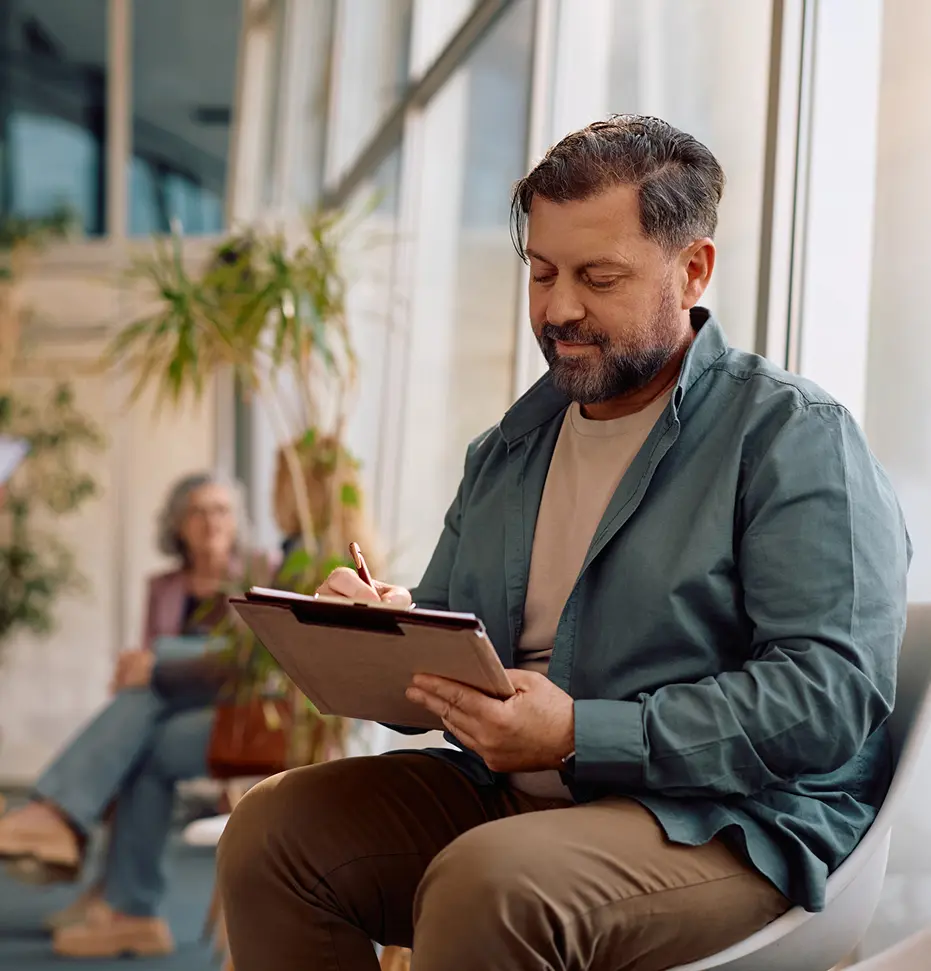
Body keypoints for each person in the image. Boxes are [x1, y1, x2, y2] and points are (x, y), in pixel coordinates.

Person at [216, 115, 910, 971]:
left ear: (692, 269)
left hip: (731, 822)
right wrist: (381, 630)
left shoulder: (791, 437)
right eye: (540, 273)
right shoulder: (510, 448)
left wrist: (583, 731)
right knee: (273, 832)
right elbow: (451, 647)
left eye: (598, 276)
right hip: (513, 800)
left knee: (488, 882)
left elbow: (827, 695)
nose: (557, 308)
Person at [0, 471, 258, 959]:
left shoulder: (255, 575)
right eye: (198, 511)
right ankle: (125, 907)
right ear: (179, 526)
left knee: (141, 716)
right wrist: (146, 668)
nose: (210, 522)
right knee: (142, 733)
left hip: (233, 721)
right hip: (169, 721)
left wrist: (160, 663)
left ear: (236, 521)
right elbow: (147, 668)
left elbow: (241, 664)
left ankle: (66, 825)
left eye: (221, 510)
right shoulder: (164, 586)